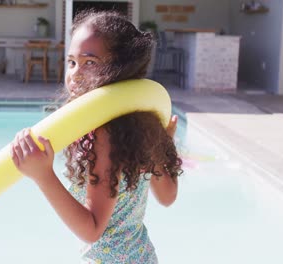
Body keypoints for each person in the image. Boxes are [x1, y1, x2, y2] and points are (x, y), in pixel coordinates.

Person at [10, 10, 182, 263]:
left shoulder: (104, 134)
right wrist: (164, 146)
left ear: (120, 68)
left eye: (90, 62)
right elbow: (167, 197)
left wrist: (43, 176)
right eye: (71, 62)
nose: (75, 74)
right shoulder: (138, 125)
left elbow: (91, 228)